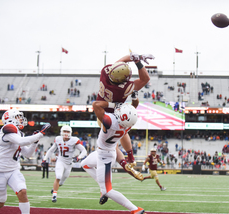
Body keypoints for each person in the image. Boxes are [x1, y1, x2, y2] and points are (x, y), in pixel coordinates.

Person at [97, 52, 154, 180]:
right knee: (117, 139)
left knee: (120, 135)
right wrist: (138, 62)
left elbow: (121, 61)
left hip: (102, 112)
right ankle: (127, 162)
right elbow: (145, 79)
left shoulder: (105, 72)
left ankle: (129, 159)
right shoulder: (123, 88)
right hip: (111, 116)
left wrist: (134, 57)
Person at [81, 101, 144, 214]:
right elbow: (132, 109)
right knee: (84, 164)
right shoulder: (127, 125)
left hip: (105, 156)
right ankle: (102, 187)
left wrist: (114, 105)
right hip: (105, 151)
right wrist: (134, 101)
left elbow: (96, 105)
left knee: (107, 190)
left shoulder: (110, 121)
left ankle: (135, 209)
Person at [0, 110, 51, 214]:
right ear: (10, 119)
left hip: (13, 169)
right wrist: (40, 134)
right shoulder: (7, 128)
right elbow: (21, 142)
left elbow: (28, 154)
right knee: (0, 201)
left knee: (22, 192)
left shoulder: (19, 133)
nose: (21, 119)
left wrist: (35, 142)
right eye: (17, 116)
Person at [43, 125, 87, 203]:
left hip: (69, 163)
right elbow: (51, 150)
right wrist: (45, 159)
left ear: (70, 133)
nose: (66, 133)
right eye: (64, 131)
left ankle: (54, 189)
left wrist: (79, 157)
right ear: (61, 132)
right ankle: (54, 195)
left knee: (62, 182)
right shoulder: (58, 139)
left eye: (68, 132)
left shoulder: (74, 140)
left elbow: (84, 151)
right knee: (58, 176)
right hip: (60, 161)